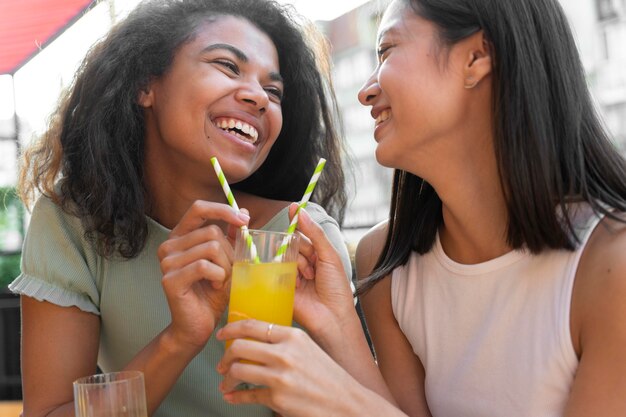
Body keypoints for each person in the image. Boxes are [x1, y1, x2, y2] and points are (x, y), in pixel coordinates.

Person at [216, 0, 626, 416]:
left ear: (477, 57)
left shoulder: (612, 264)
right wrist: (337, 321)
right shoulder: (387, 264)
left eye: (387, 50)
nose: (365, 90)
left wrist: (344, 403)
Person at [10, 0, 353, 416]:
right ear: (145, 85)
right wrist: (179, 339)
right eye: (228, 66)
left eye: (274, 91)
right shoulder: (72, 224)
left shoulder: (302, 238)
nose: (259, 97)